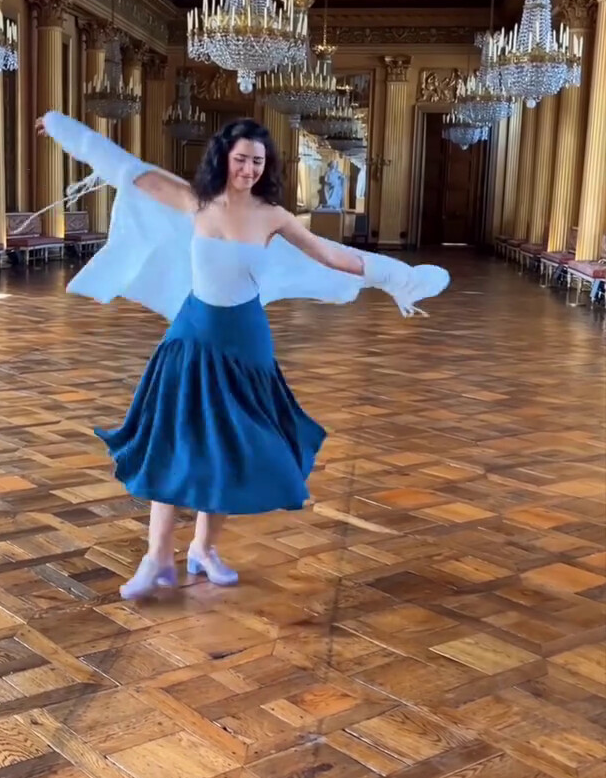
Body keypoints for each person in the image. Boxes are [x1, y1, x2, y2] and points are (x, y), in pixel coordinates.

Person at [37, 112, 449, 599]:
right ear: (223, 158)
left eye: (257, 161)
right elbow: (127, 168)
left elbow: (331, 255)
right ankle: (157, 559)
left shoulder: (273, 217)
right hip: (192, 338)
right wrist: (64, 129)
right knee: (176, 441)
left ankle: (204, 549)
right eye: (241, 159)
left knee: (230, 445)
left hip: (245, 343)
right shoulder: (197, 201)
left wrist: (399, 277)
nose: (249, 168)